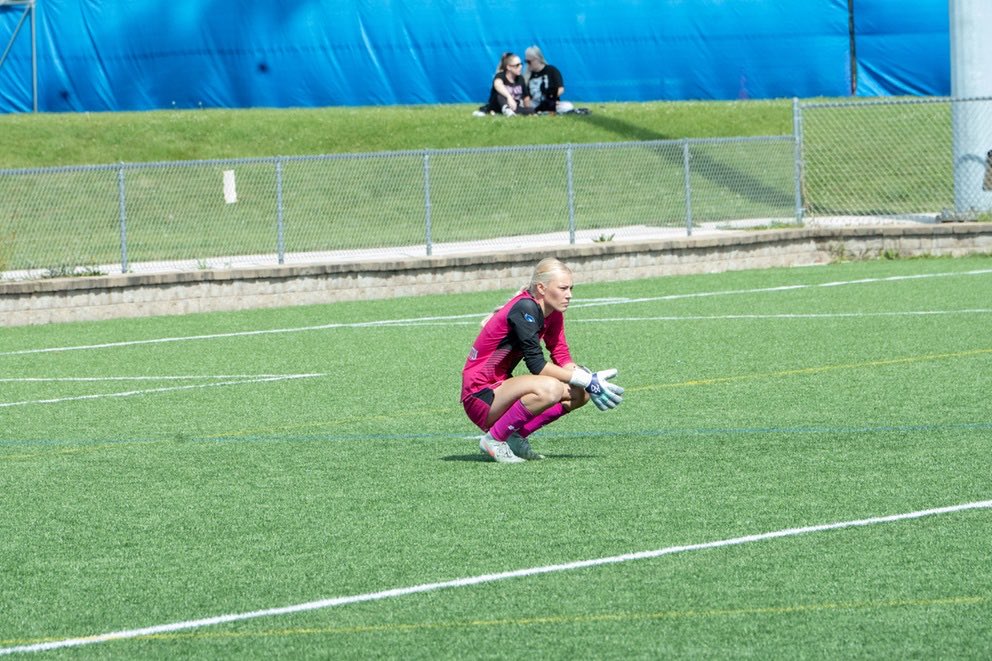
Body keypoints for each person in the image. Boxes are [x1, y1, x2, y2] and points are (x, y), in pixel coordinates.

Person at [461, 257, 624, 463]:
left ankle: (515, 435)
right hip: (480, 395)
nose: (569, 295)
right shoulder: (525, 308)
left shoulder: (553, 313)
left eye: (571, 288)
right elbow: (537, 365)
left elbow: (561, 356)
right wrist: (585, 379)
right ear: (541, 288)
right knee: (551, 388)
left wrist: (588, 381)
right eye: (563, 288)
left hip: (500, 390)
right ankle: (493, 440)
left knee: (580, 393)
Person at [477, 52, 533, 117]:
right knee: (500, 94)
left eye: (521, 64)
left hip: (513, 107)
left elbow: (526, 97)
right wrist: (509, 97)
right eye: (517, 65)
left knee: (532, 110)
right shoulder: (500, 75)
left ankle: (510, 112)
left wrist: (528, 109)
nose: (520, 67)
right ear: (509, 67)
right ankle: (505, 110)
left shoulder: (520, 79)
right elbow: (497, 85)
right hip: (498, 106)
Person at [523, 46, 572, 114]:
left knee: (567, 106)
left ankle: (541, 111)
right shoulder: (527, 75)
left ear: (537, 59)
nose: (527, 64)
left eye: (529, 61)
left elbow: (561, 89)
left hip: (550, 102)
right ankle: (542, 111)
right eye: (526, 61)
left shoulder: (551, 70)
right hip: (534, 103)